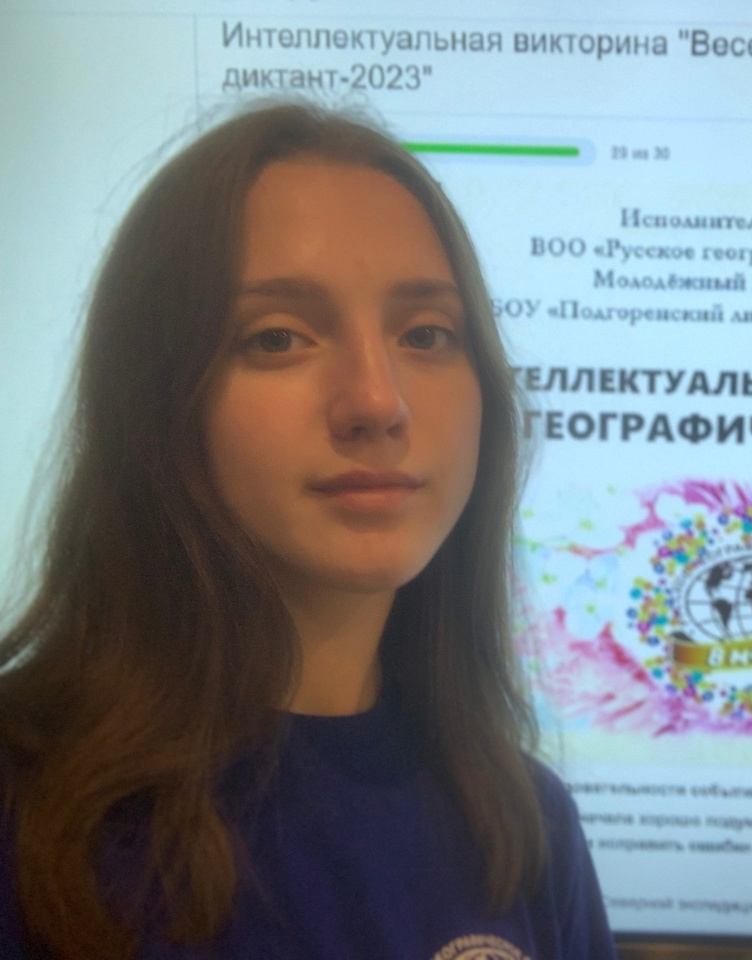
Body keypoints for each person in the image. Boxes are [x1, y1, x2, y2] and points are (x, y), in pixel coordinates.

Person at [0, 102, 615, 960]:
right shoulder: (25, 807)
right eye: (278, 338)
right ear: (156, 399)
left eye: (426, 334)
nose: (378, 402)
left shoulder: (524, 823)